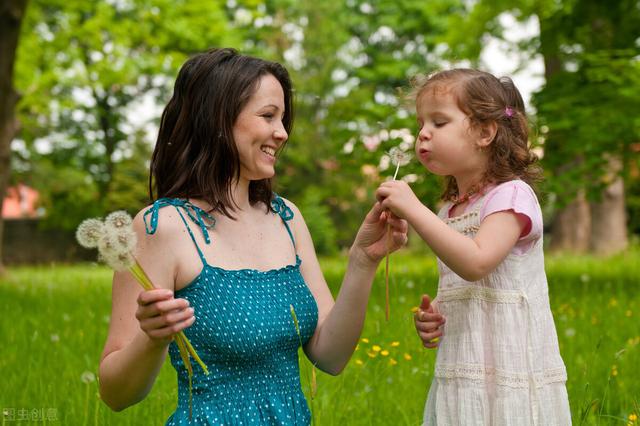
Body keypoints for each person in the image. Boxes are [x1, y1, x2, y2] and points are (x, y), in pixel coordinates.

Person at [98, 47, 408, 425]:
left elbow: (331, 356)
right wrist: (152, 338)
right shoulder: (161, 226)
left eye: (283, 118)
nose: (282, 132)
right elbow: (114, 395)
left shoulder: (286, 217)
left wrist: (364, 260)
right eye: (268, 116)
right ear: (217, 118)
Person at [376, 69, 571, 425]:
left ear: (485, 132)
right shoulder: (448, 212)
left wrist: (415, 210)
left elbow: (478, 262)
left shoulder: (511, 196)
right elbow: (467, 283)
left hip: (510, 368)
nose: (423, 133)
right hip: (465, 367)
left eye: (439, 122)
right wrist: (438, 310)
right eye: (421, 123)